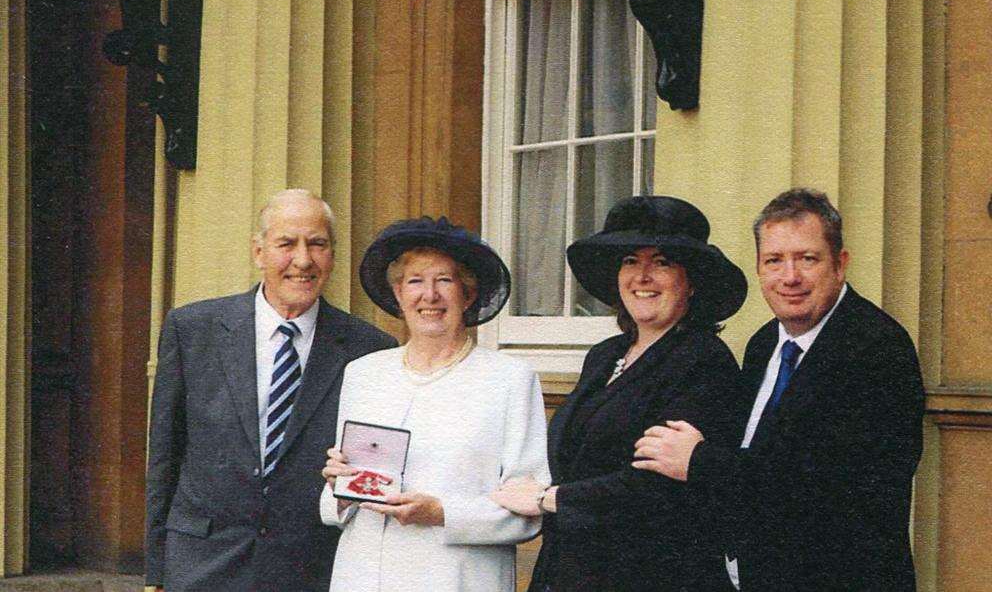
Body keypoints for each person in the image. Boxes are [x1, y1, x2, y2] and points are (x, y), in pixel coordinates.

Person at [633, 188, 925, 591]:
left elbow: (831, 492)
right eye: (774, 261)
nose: (790, 277)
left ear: (840, 264)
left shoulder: (876, 349)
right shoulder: (764, 344)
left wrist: (699, 461)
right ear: (758, 268)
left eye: (807, 259)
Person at [144, 189, 397, 592]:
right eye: (286, 244)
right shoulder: (192, 330)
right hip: (202, 563)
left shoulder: (370, 350)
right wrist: (155, 570)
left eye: (317, 244)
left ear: (332, 255)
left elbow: (372, 470)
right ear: (259, 252)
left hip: (311, 566)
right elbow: (165, 457)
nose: (303, 260)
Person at [492, 195, 747, 591]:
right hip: (572, 571)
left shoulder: (703, 361)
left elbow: (658, 488)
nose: (642, 276)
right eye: (631, 261)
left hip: (655, 576)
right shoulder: (605, 355)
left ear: (692, 281)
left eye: (661, 263)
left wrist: (550, 499)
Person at [319, 215, 550, 592]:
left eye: (445, 280)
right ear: (397, 295)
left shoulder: (508, 379)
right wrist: (338, 487)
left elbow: (527, 510)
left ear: (469, 294)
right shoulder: (364, 374)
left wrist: (442, 514)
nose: (430, 295)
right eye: (415, 281)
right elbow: (341, 495)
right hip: (364, 574)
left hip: (456, 577)